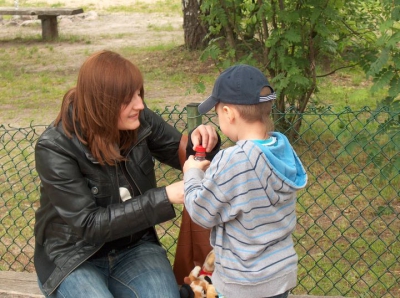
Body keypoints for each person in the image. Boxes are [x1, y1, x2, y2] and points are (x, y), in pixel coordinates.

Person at [34, 50, 220, 298]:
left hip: (134, 247)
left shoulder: (140, 121)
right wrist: (164, 196)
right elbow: (89, 225)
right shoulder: (55, 147)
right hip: (75, 256)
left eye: (138, 94)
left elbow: (186, 155)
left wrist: (206, 142)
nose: (140, 105)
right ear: (103, 103)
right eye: (128, 99)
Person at [183, 65, 308, 298]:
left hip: (244, 283)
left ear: (229, 113)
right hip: (280, 275)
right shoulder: (282, 148)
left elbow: (201, 212)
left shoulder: (232, 160)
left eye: (218, 113)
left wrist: (192, 173)